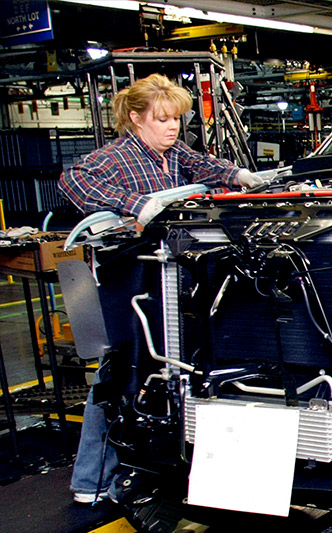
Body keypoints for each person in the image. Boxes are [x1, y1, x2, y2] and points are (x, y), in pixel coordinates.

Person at [59, 73, 264, 504]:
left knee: (174, 368)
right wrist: (136, 205)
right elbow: (72, 181)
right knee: (124, 370)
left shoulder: (172, 155)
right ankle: (90, 482)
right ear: (135, 118)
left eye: (176, 119)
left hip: (170, 277)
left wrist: (240, 176)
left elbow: (206, 167)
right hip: (130, 277)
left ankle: (168, 466)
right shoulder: (118, 156)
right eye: (161, 119)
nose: (171, 127)